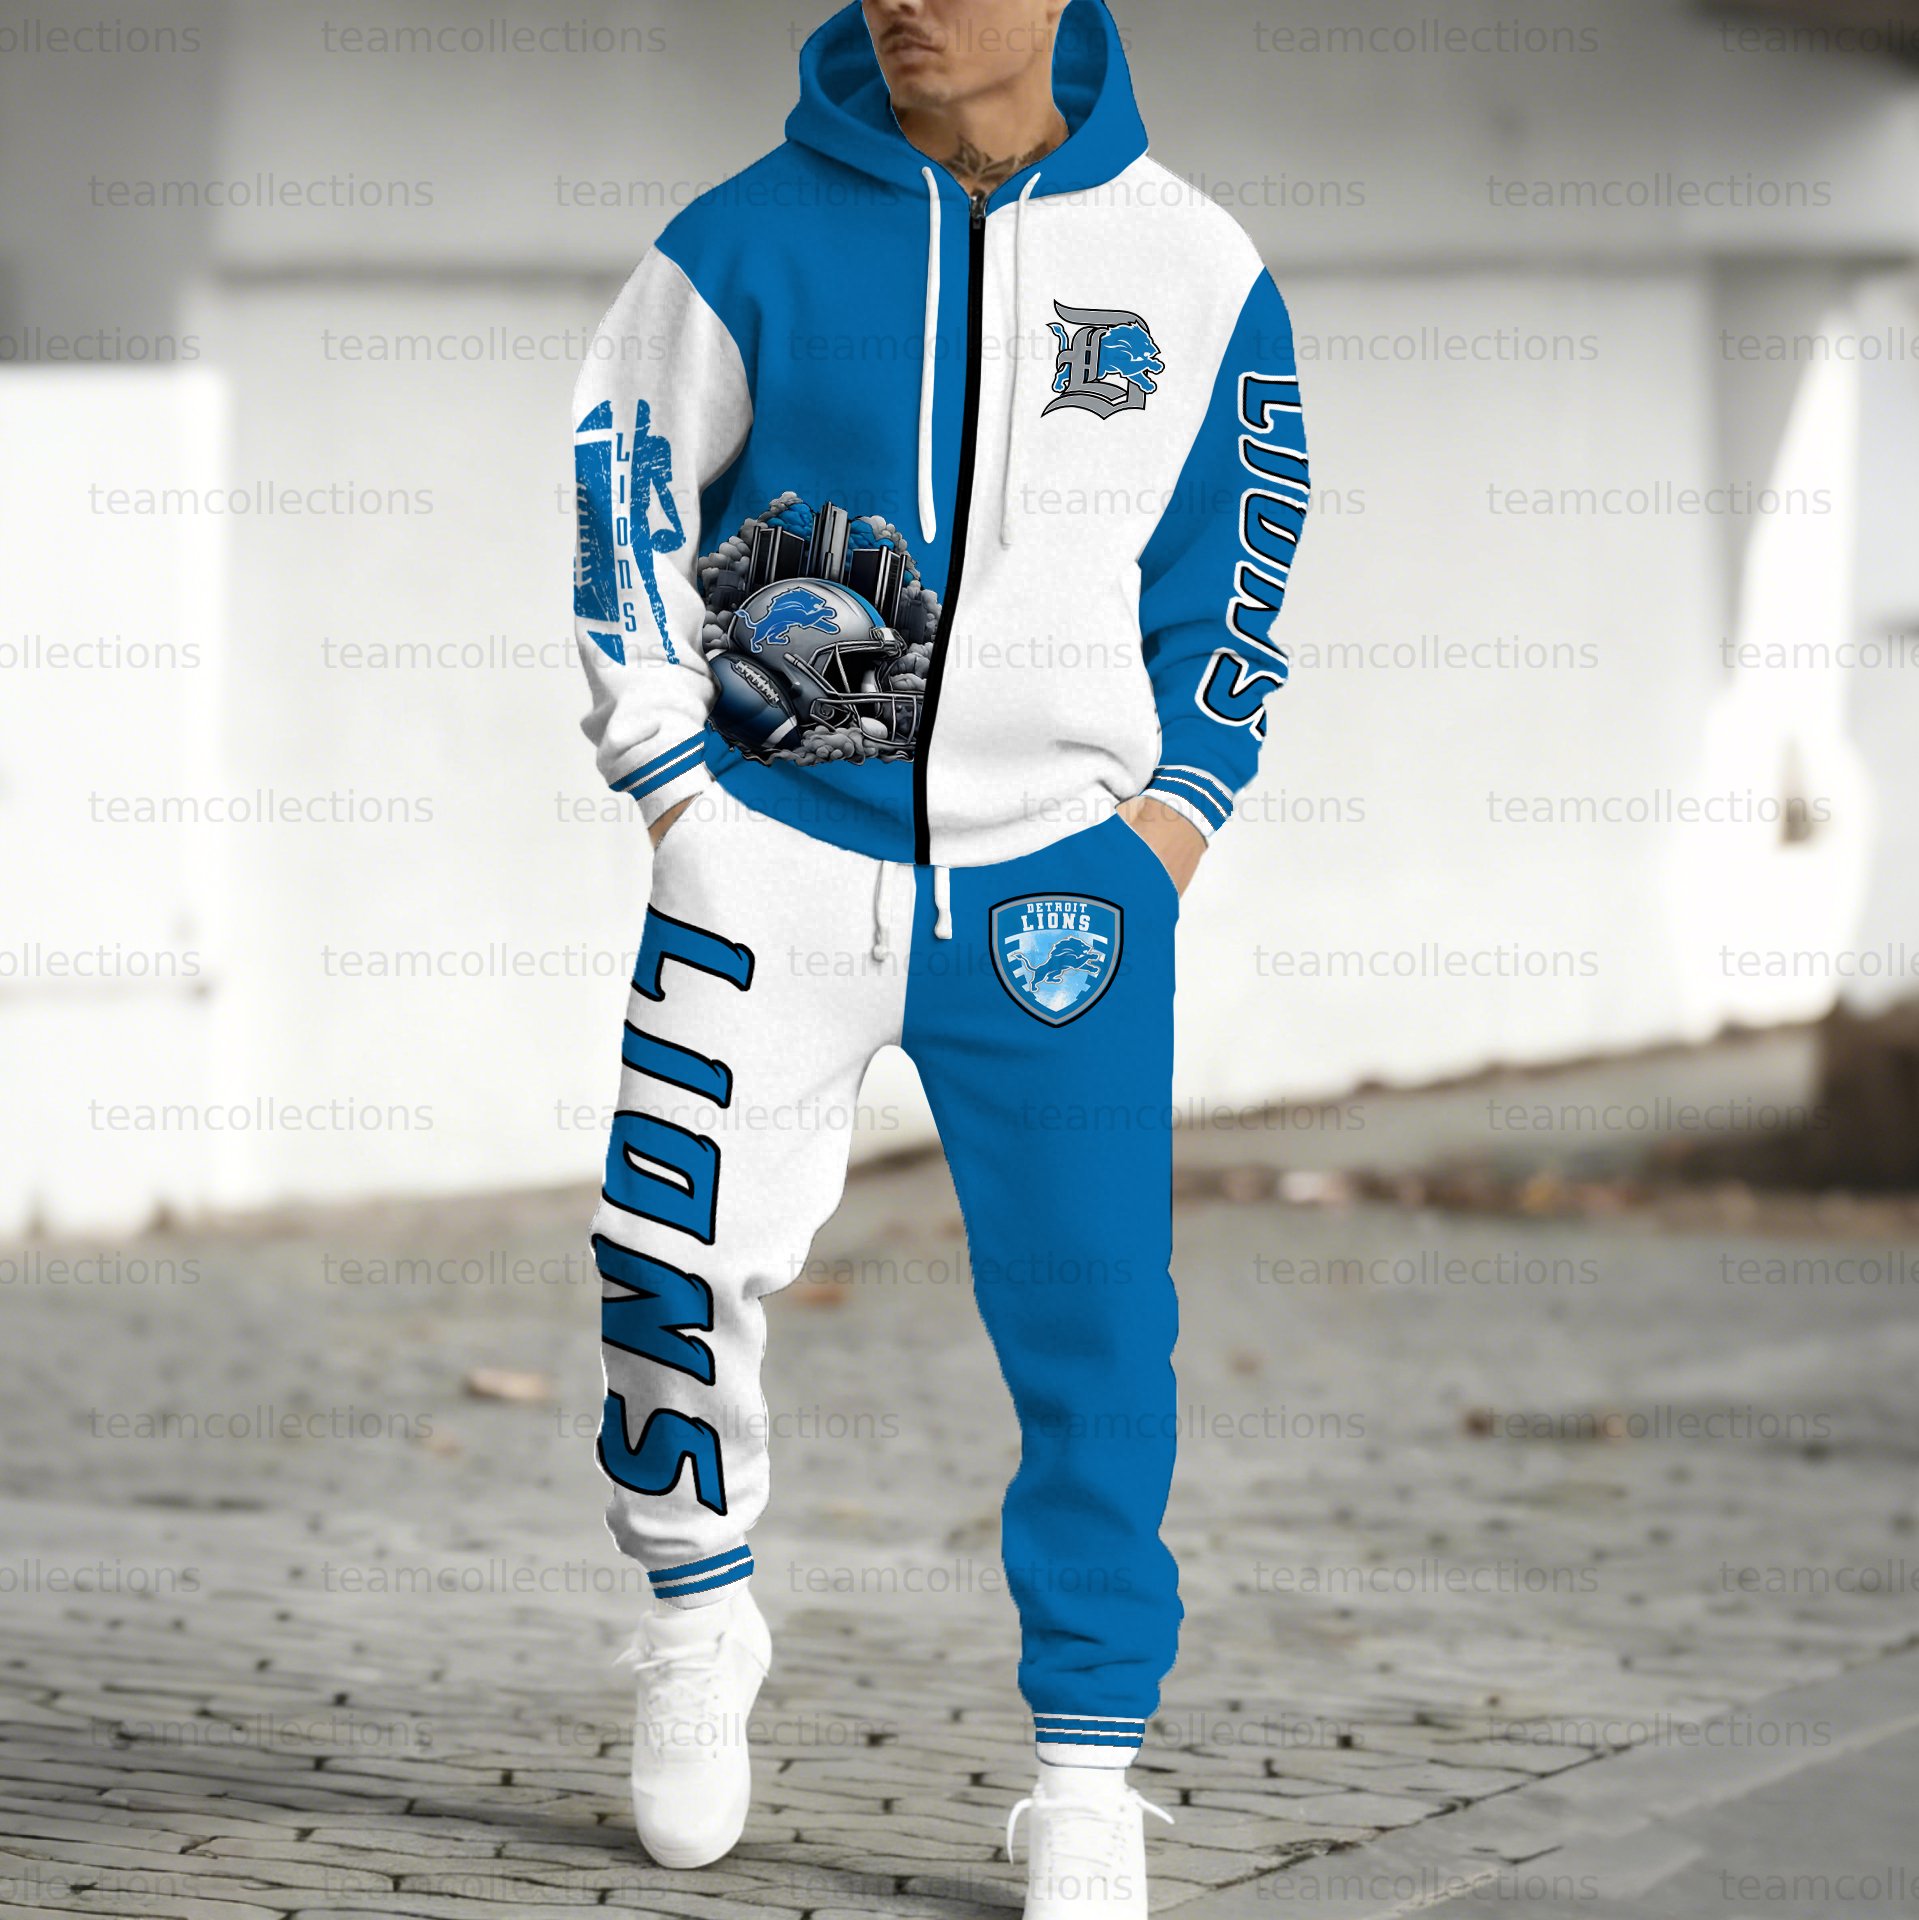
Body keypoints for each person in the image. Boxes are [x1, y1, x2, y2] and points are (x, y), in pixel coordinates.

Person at [571, 0, 1308, 1910]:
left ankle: (1087, 1771)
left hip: (1065, 894)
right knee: (667, 1254)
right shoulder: (737, 242)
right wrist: (675, 794)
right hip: (769, 859)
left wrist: (1170, 824)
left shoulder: (1196, 268)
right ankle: (695, 1612)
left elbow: (1237, 566)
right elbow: (623, 492)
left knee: (1095, 1334)